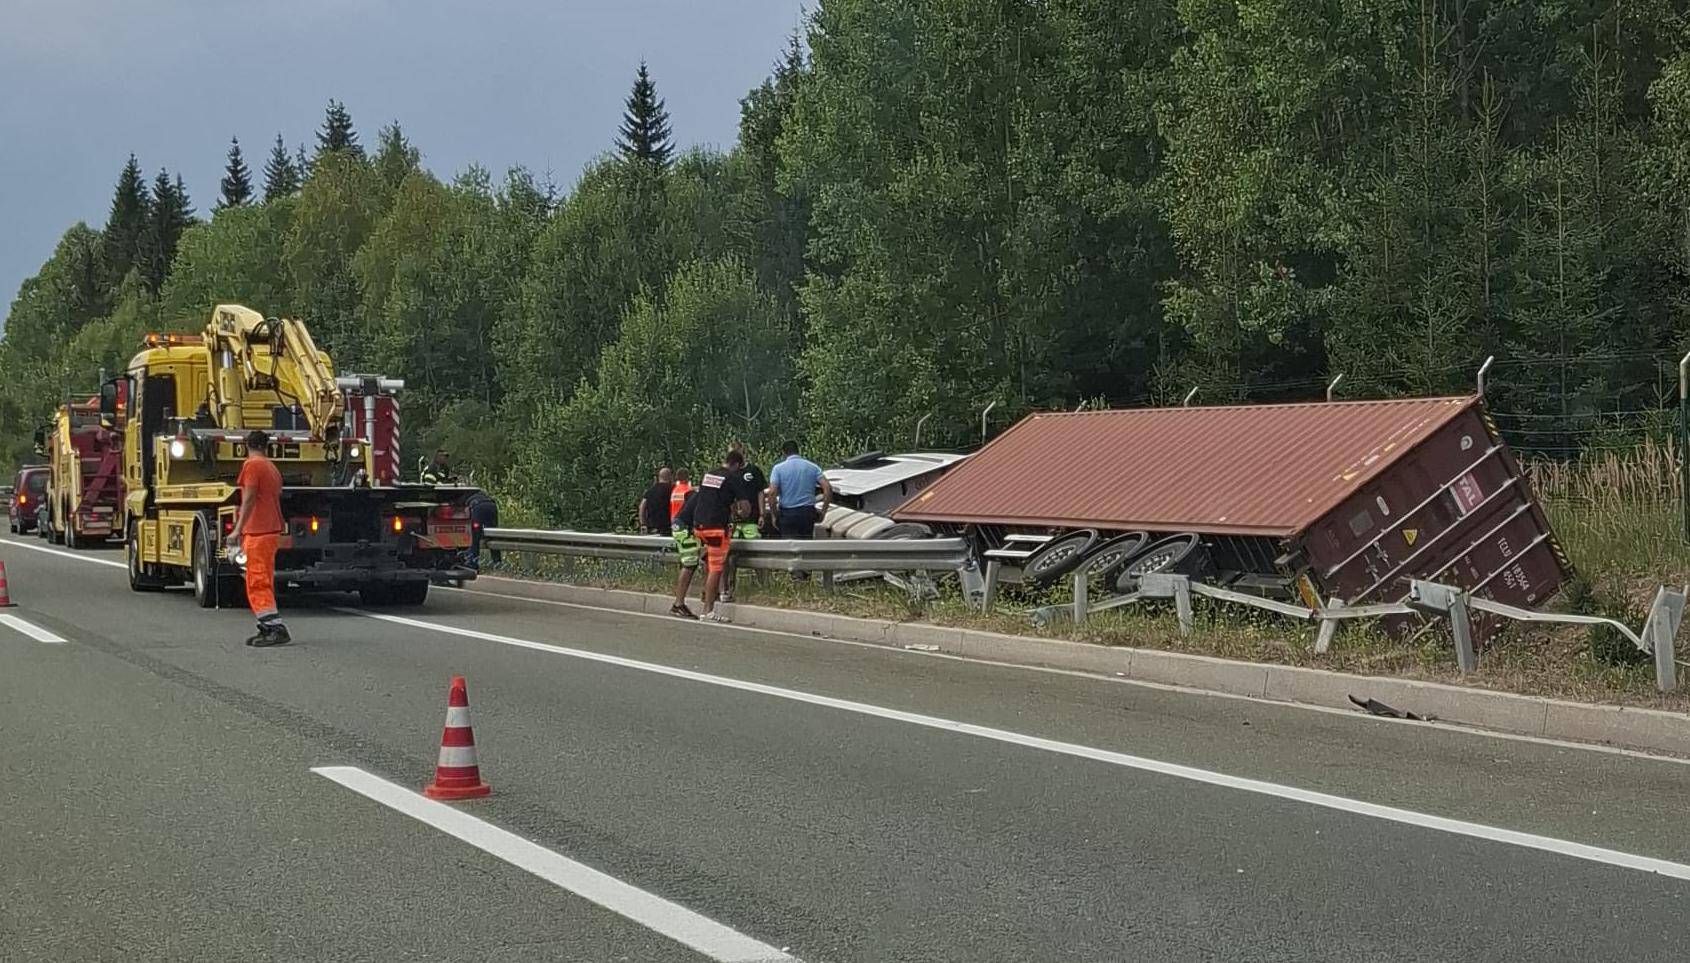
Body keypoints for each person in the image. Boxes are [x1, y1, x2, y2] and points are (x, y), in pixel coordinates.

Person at [228, 429, 290, 647]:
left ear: (247, 445)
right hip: (270, 530)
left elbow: (250, 498)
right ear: (266, 446)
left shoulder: (252, 466)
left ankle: (274, 627)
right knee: (264, 580)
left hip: (258, 531)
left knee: (256, 582)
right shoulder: (272, 467)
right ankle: (267, 625)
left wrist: (237, 529)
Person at [690, 449, 752, 622]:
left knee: (710, 565)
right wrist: (742, 514)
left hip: (699, 525)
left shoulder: (709, 474)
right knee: (716, 569)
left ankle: (706, 597)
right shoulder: (733, 478)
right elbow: (745, 507)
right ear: (737, 464)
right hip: (716, 528)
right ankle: (708, 610)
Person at [767, 440, 832, 579]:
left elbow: (772, 493)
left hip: (788, 512)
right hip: (807, 511)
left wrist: (774, 514)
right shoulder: (812, 467)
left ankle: (796, 578)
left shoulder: (778, 469)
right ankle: (806, 576)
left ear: (784, 453)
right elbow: (827, 487)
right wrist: (824, 510)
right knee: (806, 545)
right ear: (798, 451)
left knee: (791, 547)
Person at [722, 443, 768, 604]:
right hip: (732, 522)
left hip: (751, 519)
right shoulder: (726, 473)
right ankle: (729, 586)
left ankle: (763, 584)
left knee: (756, 551)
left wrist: (762, 513)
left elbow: (760, 492)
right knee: (729, 556)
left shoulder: (753, 471)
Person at [669, 485, 703, 619]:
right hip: (685, 528)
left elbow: (687, 494)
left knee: (692, 562)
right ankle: (678, 604)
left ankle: (680, 603)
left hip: (680, 524)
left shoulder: (697, 493)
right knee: (689, 564)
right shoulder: (706, 495)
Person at [466, 489, 500, 569]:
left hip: (478, 507)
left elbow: (466, 513)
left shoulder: (462, 496)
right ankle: (497, 562)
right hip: (492, 505)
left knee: (475, 536)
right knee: (493, 534)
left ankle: (473, 563)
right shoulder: (479, 492)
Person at [638, 467, 675, 535]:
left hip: (653, 528)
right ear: (670, 477)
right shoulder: (673, 490)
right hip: (668, 528)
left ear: (659, 477)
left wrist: (643, 524)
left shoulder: (650, 491)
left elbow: (642, 507)